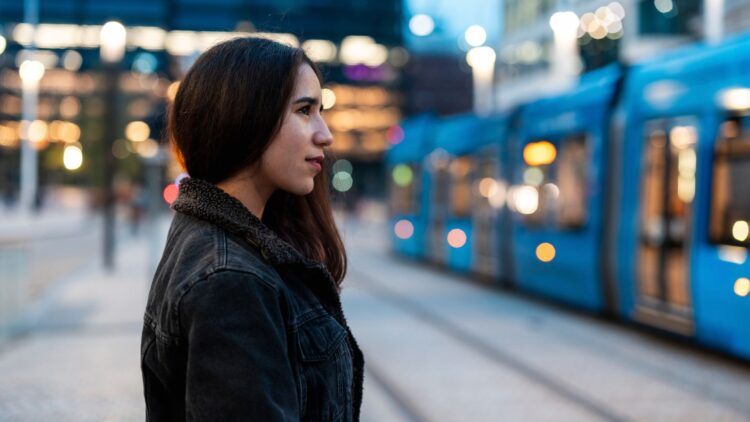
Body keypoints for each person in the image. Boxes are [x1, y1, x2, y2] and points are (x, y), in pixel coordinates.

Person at [140, 37, 364, 421]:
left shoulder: (209, 237)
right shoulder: (231, 280)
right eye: (305, 110)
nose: (325, 135)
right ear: (247, 118)